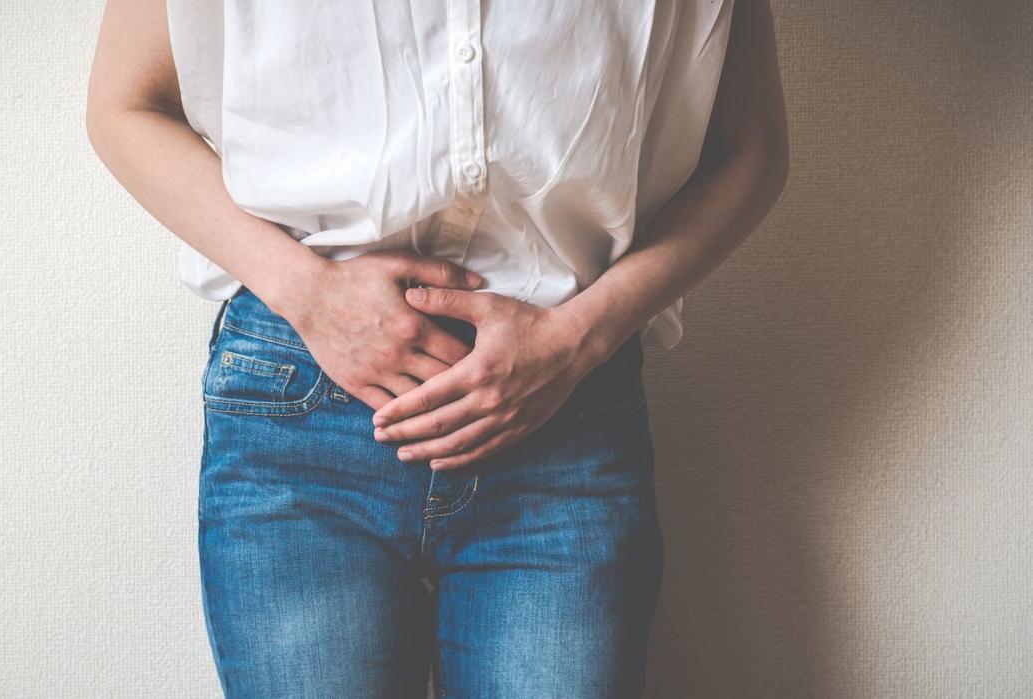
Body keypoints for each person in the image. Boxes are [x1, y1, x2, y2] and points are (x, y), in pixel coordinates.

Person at [86, 0, 787, 695]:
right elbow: (126, 105)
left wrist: (579, 338)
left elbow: (749, 152)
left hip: (563, 418)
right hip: (300, 409)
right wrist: (309, 293)